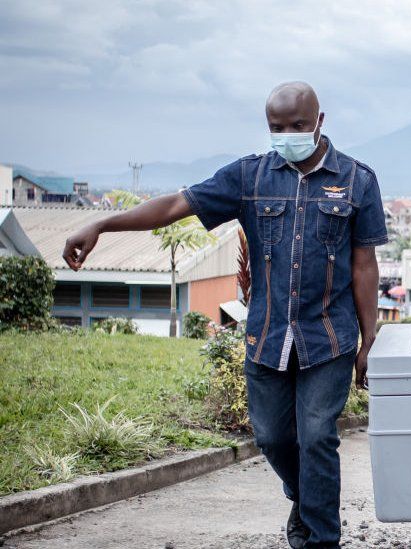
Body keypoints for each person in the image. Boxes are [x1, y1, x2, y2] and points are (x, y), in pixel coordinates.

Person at [62, 81, 389, 549]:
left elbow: (364, 266)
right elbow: (176, 205)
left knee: (317, 437)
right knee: (273, 438)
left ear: (320, 121)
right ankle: (305, 497)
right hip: (267, 337)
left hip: (329, 339)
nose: (288, 134)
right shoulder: (249, 177)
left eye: (298, 125)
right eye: (277, 127)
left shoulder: (358, 181)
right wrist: (99, 222)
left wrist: (368, 341)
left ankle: (320, 539)